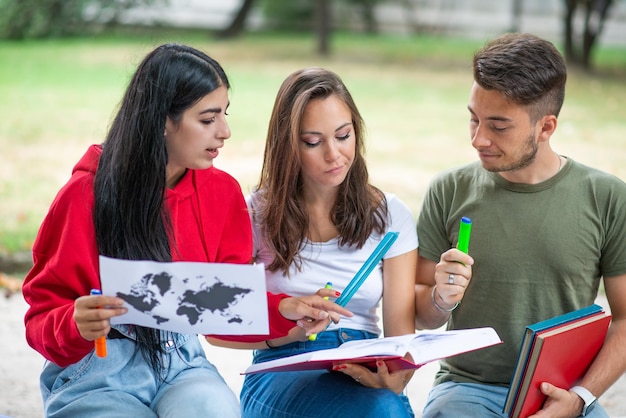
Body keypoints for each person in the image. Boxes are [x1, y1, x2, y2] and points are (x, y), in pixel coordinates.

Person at [22, 44, 350, 418]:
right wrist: (74, 323)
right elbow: (40, 319)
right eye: (208, 119)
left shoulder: (223, 194)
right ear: (162, 120)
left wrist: (285, 309)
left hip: (181, 364)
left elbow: (225, 307)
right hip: (95, 369)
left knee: (215, 409)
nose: (225, 131)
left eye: (224, 114)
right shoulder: (85, 195)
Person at [414, 32, 626, 418]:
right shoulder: (448, 190)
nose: (479, 139)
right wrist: (439, 299)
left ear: (545, 128)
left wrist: (578, 397)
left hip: (563, 393)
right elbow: (419, 314)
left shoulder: (608, 198)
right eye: (473, 119)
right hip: (466, 389)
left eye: (498, 126)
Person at [208, 67, 418, 417]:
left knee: (384, 407)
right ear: (288, 146)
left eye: (343, 135)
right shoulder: (255, 214)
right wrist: (290, 326)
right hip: (283, 363)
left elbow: (401, 341)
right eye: (313, 142)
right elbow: (217, 330)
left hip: (365, 361)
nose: (334, 154)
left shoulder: (391, 216)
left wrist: (397, 379)